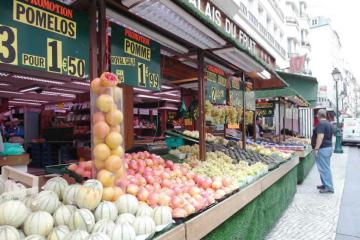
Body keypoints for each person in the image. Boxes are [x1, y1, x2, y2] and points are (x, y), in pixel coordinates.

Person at [311, 109, 334, 194]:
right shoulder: (329, 123)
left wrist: (316, 149)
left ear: (318, 115)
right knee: (324, 168)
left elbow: (320, 137)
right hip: (328, 148)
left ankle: (329, 187)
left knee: (324, 168)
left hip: (323, 149)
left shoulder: (321, 124)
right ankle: (325, 184)